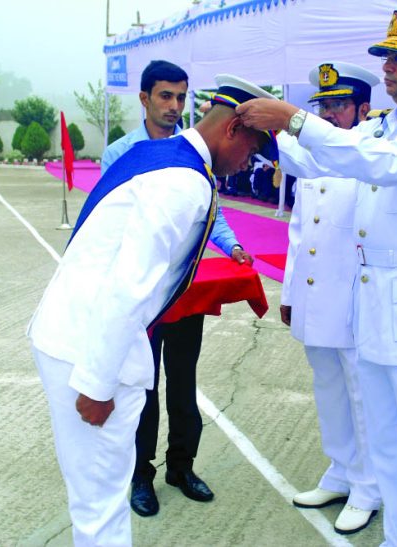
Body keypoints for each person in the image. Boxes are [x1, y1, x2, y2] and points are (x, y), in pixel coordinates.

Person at [237, 7, 397, 545]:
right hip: (374, 303)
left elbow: (385, 165)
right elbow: (328, 164)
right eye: (387, 59)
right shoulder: (386, 129)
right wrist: (270, 129)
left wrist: (296, 118)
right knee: (391, 449)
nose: (388, 68)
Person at [28, 74, 278, 545]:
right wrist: (98, 384)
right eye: (254, 149)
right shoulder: (183, 183)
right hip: (92, 351)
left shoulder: (162, 156)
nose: (251, 162)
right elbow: (129, 286)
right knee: (100, 504)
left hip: (71, 334)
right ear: (233, 131)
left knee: (94, 498)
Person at [100, 61, 255, 518]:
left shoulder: (195, 150)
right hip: (142, 296)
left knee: (182, 386)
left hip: (185, 290)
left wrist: (233, 246)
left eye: (181, 97)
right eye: (165, 96)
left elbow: (213, 212)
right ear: (144, 98)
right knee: (142, 389)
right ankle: (140, 475)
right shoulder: (122, 153)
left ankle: (181, 467)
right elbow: (111, 218)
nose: (173, 106)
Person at [280, 61, 381, 535]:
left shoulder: (372, 150)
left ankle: (369, 485)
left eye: (340, 105)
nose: (330, 114)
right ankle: (340, 471)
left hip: (354, 296)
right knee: (329, 388)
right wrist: (289, 291)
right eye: (324, 105)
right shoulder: (313, 153)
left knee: (362, 393)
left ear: (363, 108)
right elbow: (300, 231)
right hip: (316, 293)